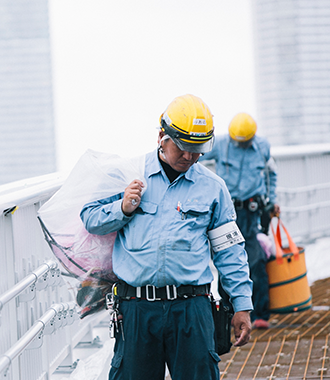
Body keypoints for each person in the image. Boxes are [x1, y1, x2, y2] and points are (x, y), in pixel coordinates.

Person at [80, 94, 253, 380]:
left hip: (192, 310)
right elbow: (90, 218)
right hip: (136, 310)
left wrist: (242, 304)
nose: (189, 157)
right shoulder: (129, 175)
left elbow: (229, 250)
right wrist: (121, 208)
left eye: (197, 150)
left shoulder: (213, 188)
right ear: (162, 136)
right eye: (183, 148)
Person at [200, 112, 280, 330]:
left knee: (255, 260)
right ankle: (227, 316)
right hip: (226, 211)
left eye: (245, 143)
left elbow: (271, 174)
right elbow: (196, 159)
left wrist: (272, 201)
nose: (241, 146)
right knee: (226, 259)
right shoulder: (221, 144)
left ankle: (261, 314)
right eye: (238, 143)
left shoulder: (263, 146)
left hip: (252, 211)